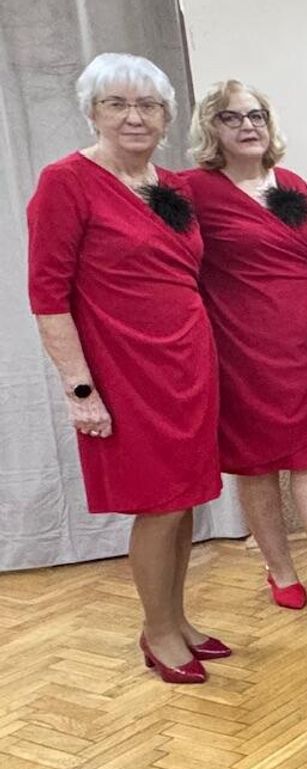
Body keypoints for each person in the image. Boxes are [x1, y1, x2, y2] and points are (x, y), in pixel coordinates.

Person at [28, 53, 225, 682]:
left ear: (167, 116)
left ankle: (177, 618)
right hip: (124, 370)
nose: (134, 117)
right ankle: (158, 632)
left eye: (148, 105)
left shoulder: (174, 186)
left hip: (187, 361)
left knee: (186, 499)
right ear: (93, 112)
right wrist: (80, 389)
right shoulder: (66, 181)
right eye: (117, 104)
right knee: (159, 504)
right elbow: (48, 296)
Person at [183, 80, 307, 610]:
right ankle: (280, 570)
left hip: (305, 345)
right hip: (239, 349)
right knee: (256, 464)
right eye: (231, 117)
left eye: (256, 115)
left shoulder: (292, 183)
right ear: (211, 127)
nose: (247, 126)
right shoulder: (192, 189)